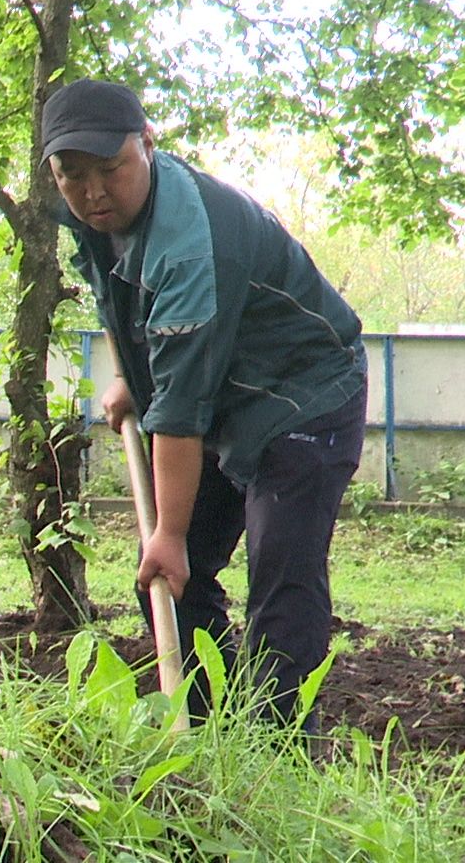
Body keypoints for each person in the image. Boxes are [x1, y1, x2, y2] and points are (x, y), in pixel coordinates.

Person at [43, 78, 368, 729]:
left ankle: (273, 760)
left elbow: (182, 412)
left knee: (280, 573)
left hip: (305, 394)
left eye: (111, 170)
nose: (94, 192)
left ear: (148, 145)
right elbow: (124, 300)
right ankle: (205, 730)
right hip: (226, 390)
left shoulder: (192, 241)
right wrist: (138, 375)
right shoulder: (90, 217)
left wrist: (166, 531)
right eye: (72, 175)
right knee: (168, 577)